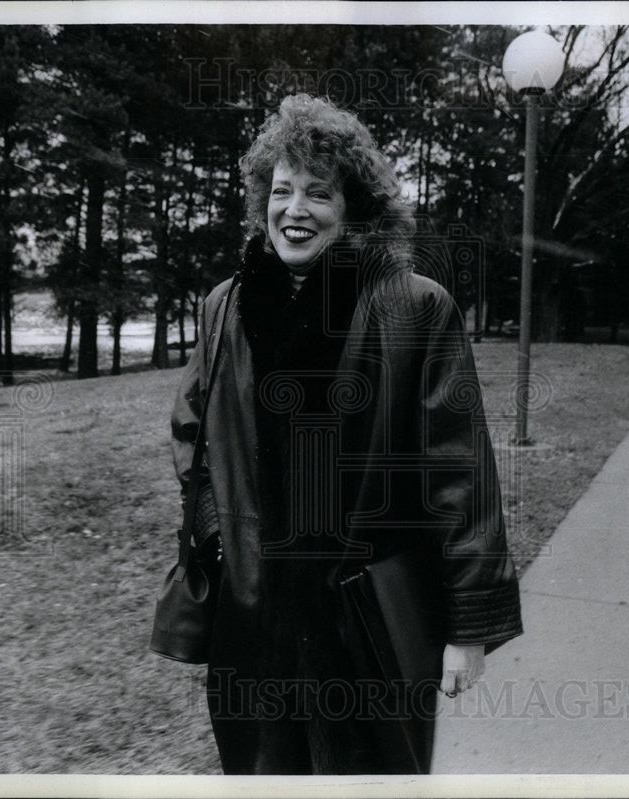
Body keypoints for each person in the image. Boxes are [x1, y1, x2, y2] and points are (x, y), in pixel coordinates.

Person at [170, 94, 522, 775]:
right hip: (257, 613)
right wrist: (221, 532)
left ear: (353, 207)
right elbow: (193, 432)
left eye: (318, 194)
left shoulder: (414, 307)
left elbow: (460, 473)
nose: (294, 211)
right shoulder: (226, 306)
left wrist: (468, 627)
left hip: (371, 623)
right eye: (281, 190)